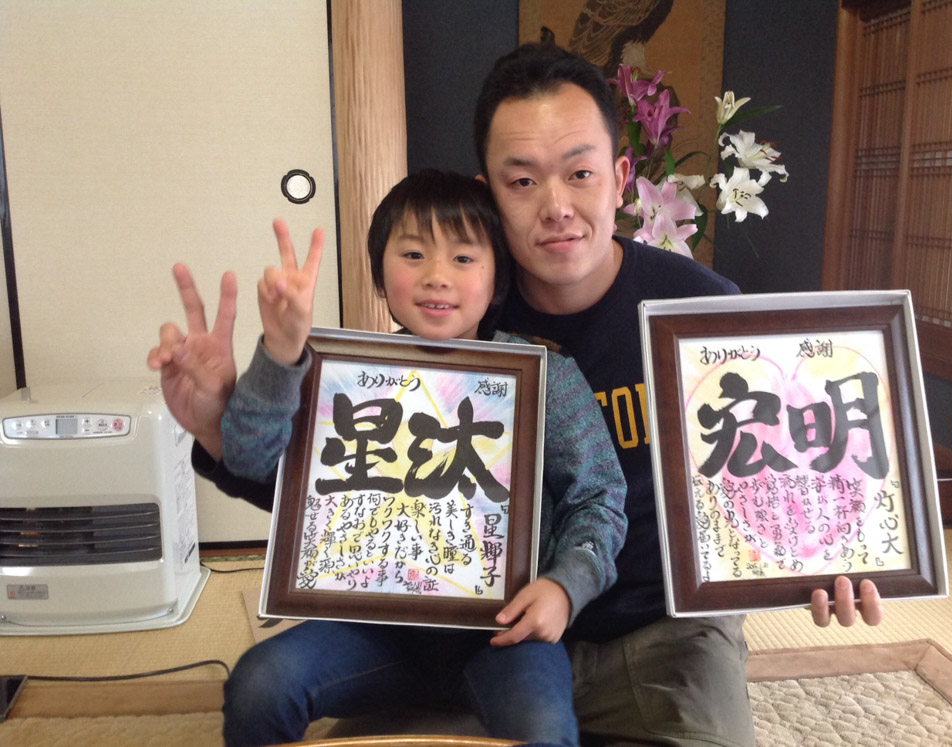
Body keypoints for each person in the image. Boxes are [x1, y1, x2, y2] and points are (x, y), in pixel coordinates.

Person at [471, 42, 884, 746]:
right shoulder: (465, 321)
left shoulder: (706, 312)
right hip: (501, 633)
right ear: (488, 194)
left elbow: (788, 468)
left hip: (667, 627)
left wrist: (833, 550)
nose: (557, 206)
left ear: (620, 179)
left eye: (580, 173)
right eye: (523, 182)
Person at [148, 169, 628, 747]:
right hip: (372, 628)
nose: (436, 276)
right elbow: (252, 461)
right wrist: (280, 354)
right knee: (259, 685)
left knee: (545, 728)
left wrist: (566, 586)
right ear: (379, 275)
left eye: (464, 258)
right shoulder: (347, 374)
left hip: (504, 633)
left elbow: (599, 497)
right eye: (413, 254)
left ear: (498, 275)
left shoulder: (545, 374)